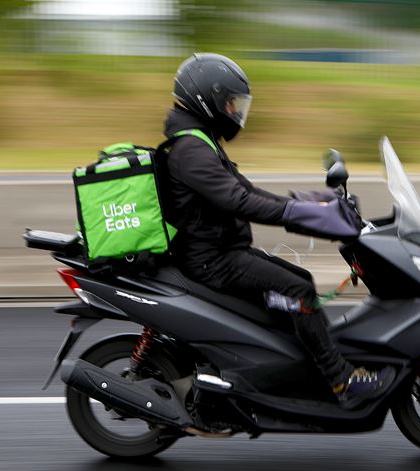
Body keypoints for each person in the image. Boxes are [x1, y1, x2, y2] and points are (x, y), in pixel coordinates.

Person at [162, 53, 394, 408]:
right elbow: (238, 201)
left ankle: (296, 371)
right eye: (229, 102)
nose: (234, 111)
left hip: (220, 250)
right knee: (297, 288)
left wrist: (317, 206)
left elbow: (249, 192)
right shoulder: (192, 150)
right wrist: (300, 214)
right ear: (206, 99)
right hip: (212, 259)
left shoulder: (200, 141)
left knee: (298, 278)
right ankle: (341, 380)